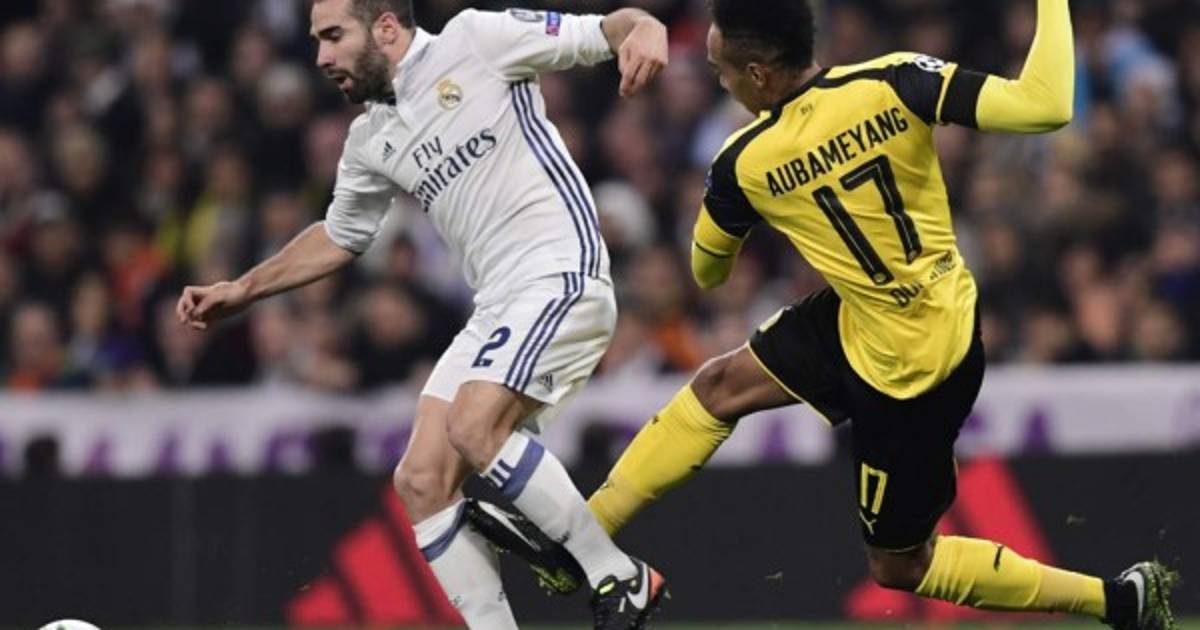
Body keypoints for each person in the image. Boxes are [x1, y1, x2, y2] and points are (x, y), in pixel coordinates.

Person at [498, 1, 1179, 628]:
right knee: (718, 387)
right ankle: (576, 540)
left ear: (759, 75)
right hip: (888, 316)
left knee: (899, 566)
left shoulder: (744, 161)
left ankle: (1116, 600)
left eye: (722, 71)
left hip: (914, 374)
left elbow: (707, 272)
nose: (721, 84)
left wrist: (737, 210)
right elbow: (1045, 104)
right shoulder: (893, 81)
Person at [175, 0, 670, 627]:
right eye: (317, 40)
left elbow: (604, 31)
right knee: (420, 480)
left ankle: (615, 574)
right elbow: (340, 234)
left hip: (560, 272)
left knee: (473, 425)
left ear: (385, 26)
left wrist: (645, 26)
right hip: (496, 306)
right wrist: (244, 288)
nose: (321, 57)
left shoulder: (477, 40)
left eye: (333, 36)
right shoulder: (370, 139)